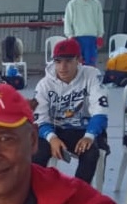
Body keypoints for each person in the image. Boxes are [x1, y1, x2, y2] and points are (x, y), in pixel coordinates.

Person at [31, 37, 109, 184]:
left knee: (91, 153)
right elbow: (39, 118)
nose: (62, 67)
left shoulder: (91, 75)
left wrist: (90, 135)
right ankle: (36, 192)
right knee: (36, 153)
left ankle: (78, 193)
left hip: (83, 129)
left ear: (78, 60)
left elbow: (101, 110)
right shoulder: (44, 84)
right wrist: (52, 138)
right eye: (58, 61)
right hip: (54, 128)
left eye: (68, 61)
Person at [64, 0, 104, 66]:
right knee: (77, 64)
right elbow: (68, 21)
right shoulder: (72, 4)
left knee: (90, 64)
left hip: (92, 38)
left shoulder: (96, 4)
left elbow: (100, 20)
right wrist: (70, 36)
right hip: (77, 38)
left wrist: (100, 36)